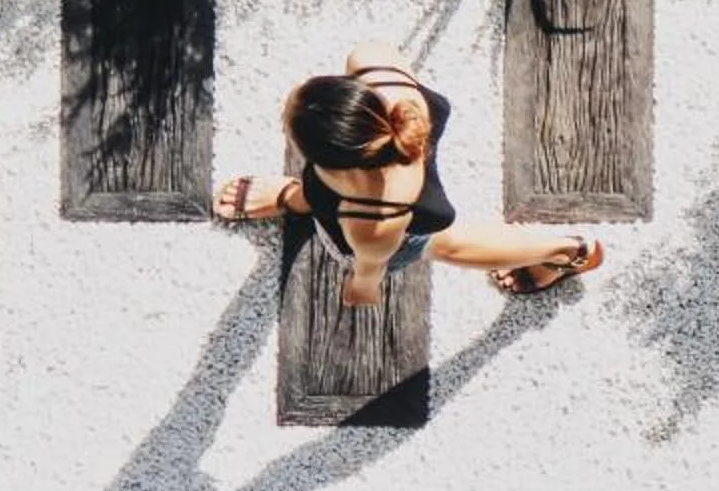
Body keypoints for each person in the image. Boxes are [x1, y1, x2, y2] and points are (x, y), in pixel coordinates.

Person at [213, 43, 603, 305]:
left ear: (335, 163)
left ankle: (568, 251)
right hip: (404, 158)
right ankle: (295, 197)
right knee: (322, 195)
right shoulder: (375, 68)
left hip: (401, 221)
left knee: (441, 245)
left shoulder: (370, 223)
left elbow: (369, 266)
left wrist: (361, 289)